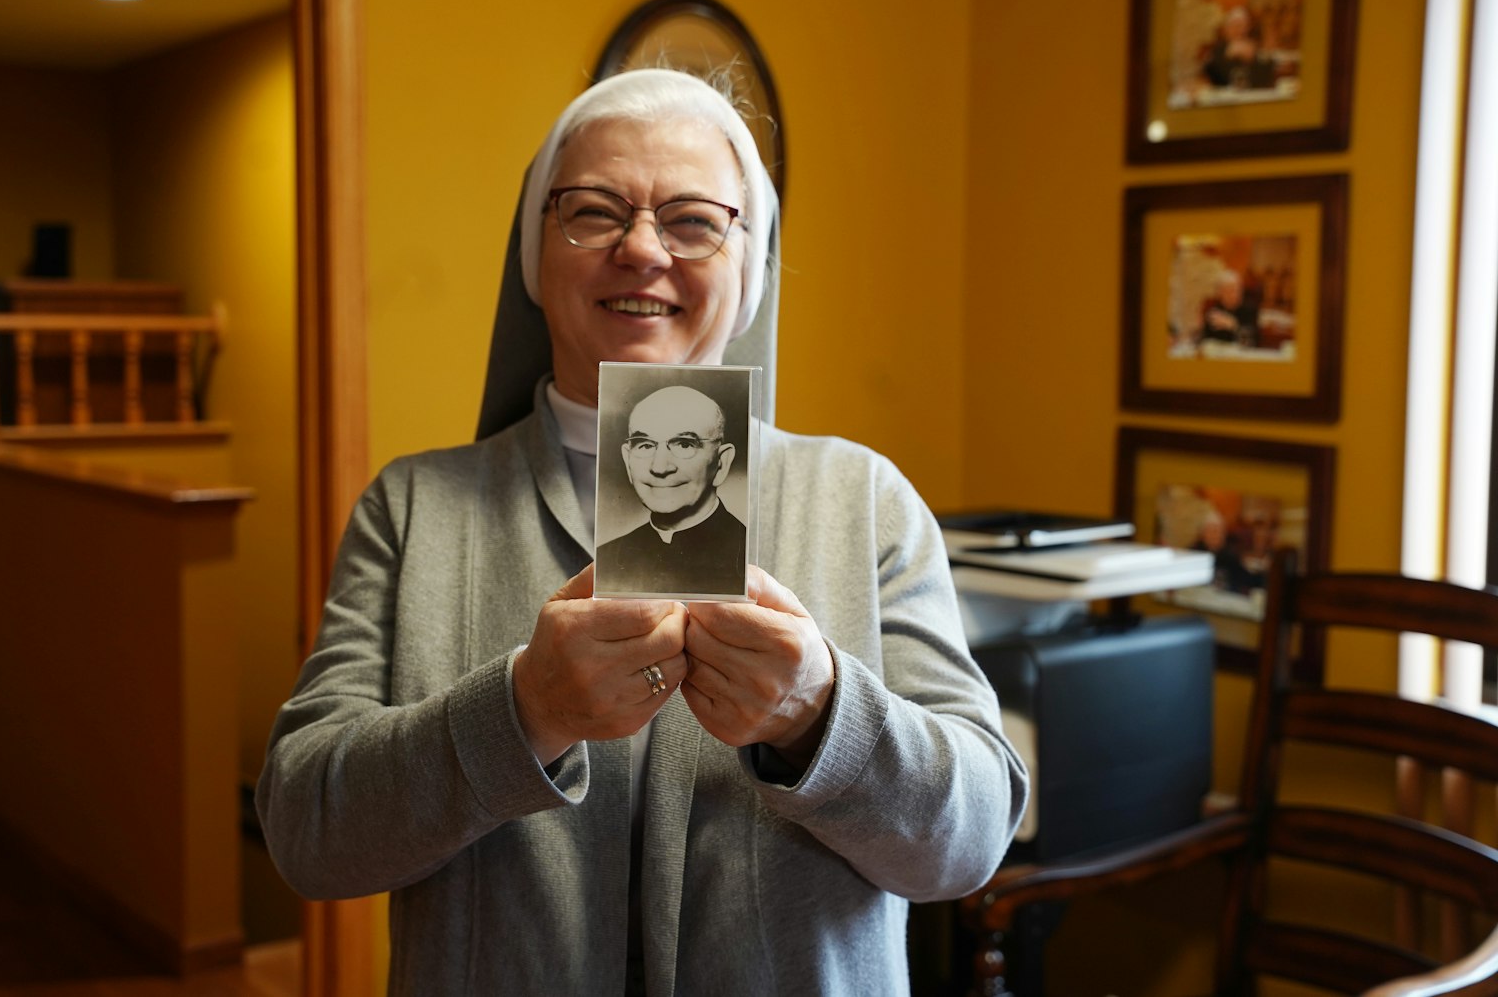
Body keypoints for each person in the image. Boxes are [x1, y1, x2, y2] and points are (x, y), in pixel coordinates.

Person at [256, 66, 1027, 996]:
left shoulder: (863, 501)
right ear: (535, 252)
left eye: (694, 219)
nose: (643, 250)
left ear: (752, 264)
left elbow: (973, 839)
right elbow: (306, 828)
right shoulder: (415, 507)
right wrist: (521, 710)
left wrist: (824, 715)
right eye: (593, 210)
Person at [597, 383, 747, 597]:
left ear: (722, 463)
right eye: (645, 445)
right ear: (627, 458)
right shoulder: (605, 560)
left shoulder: (749, 559)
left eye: (684, 444)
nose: (659, 467)